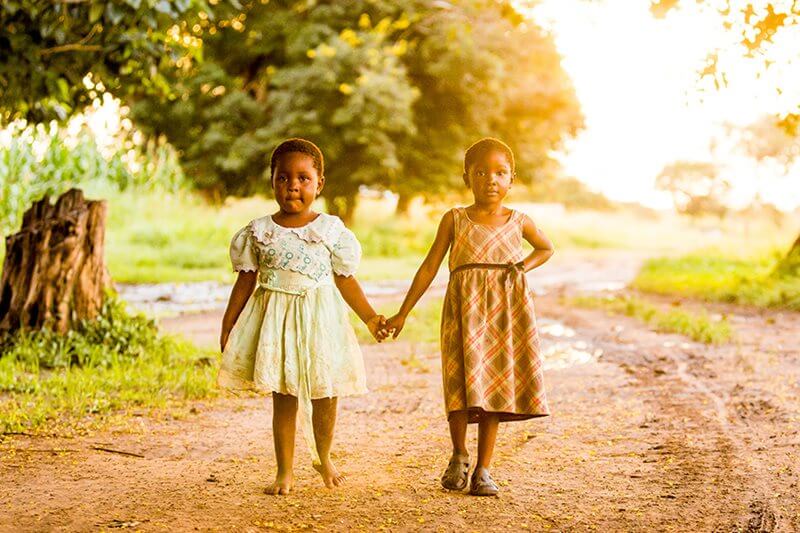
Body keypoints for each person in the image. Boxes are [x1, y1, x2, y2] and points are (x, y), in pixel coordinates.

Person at [218, 138, 388, 495]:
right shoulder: (259, 232)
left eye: (303, 178)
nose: (292, 185)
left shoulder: (330, 231)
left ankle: (323, 456)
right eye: (283, 178)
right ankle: (284, 470)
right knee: (284, 394)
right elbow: (245, 281)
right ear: (272, 180)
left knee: (326, 394)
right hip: (277, 325)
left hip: (320, 322)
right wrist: (228, 322)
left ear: (319, 183)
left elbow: (346, 281)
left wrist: (370, 318)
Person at [386, 137, 553, 496]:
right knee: (460, 383)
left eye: (499, 173)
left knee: (492, 387)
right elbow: (430, 266)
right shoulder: (455, 219)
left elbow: (546, 247)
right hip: (463, 313)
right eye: (481, 172)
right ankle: (459, 454)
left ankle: (484, 469)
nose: (490, 179)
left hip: (503, 315)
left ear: (512, 179)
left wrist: (523, 265)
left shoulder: (519, 221)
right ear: (467, 179)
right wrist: (402, 312)